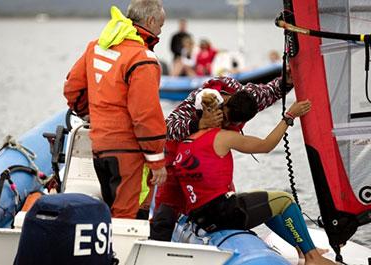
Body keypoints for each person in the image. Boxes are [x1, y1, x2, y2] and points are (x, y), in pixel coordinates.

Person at [170, 92, 335, 265]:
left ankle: (301, 248)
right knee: (284, 200)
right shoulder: (223, 137)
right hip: (223, 214)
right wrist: (289, 116)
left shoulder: (184, 144)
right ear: (218, 113)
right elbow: (266, 145)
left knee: (266, 203)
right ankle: (313, 258)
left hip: (201, 217)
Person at [151, 73, 294, 239]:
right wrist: (198, 123)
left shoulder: (248, 97)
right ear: (223, 103)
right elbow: (167, 128)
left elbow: (271, 91)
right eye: (225, 118)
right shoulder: (201, 98)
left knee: (228, 208)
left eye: (233, 124)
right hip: (179, 162)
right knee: (166, 213)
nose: (226, 126)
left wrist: (287, 82)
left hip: (210, 165)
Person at [63, 0, 167, 219]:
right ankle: (118, 253)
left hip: (100, 146)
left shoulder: (97, 46)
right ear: (150, 21)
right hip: (129, 152)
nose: (160, 31)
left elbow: (73, 88)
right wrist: (157, 161)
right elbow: (146, 115)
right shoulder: (142, 59)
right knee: (127, 215)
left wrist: (89, 114)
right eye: (160, 26)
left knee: (112, 206)